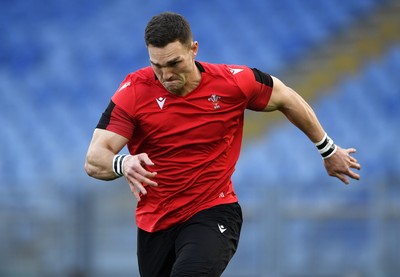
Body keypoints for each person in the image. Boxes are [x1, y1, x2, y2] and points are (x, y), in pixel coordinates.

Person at [85, 12, 361, 277]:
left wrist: (327, 148)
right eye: (157, 66)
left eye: (174, 63)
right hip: (154, 222)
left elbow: (286, 97)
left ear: (194, 50)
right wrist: (123, 162)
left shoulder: (233, 82)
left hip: (213, 210)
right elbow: (94, 159)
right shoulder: (134, 90)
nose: (166, 75)